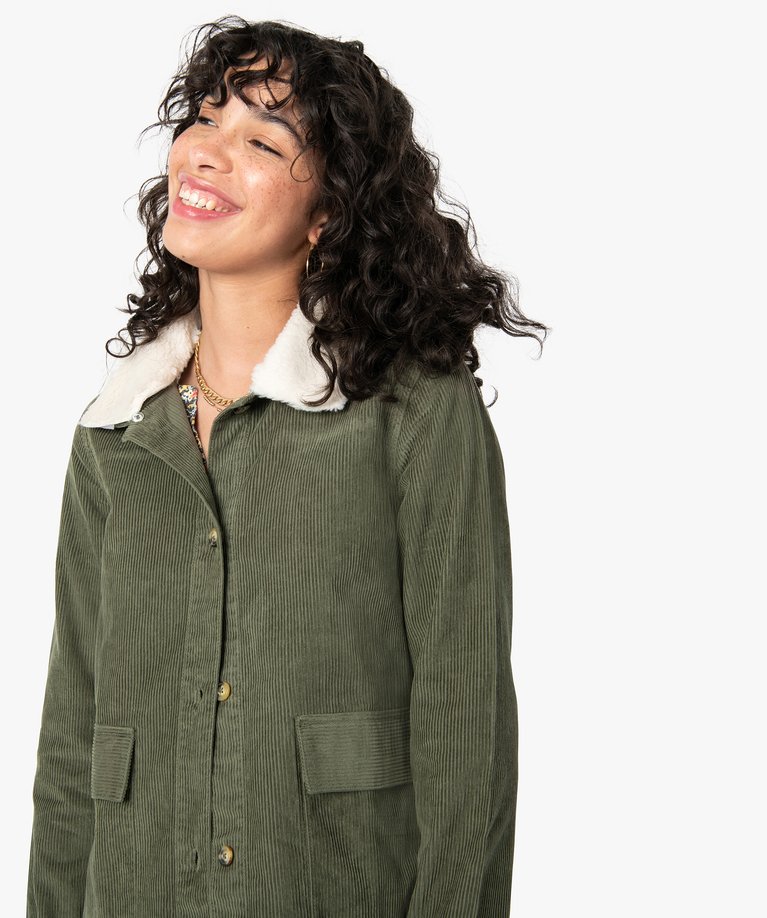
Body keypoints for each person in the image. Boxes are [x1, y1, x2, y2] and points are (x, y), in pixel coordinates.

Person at [26, 15, 548, 917]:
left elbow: (465, 729)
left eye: (262, 141)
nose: (205, 151)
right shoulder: (114, 435)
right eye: (203, 119)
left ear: (329, 212)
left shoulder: (412, 409)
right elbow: (74, 744)